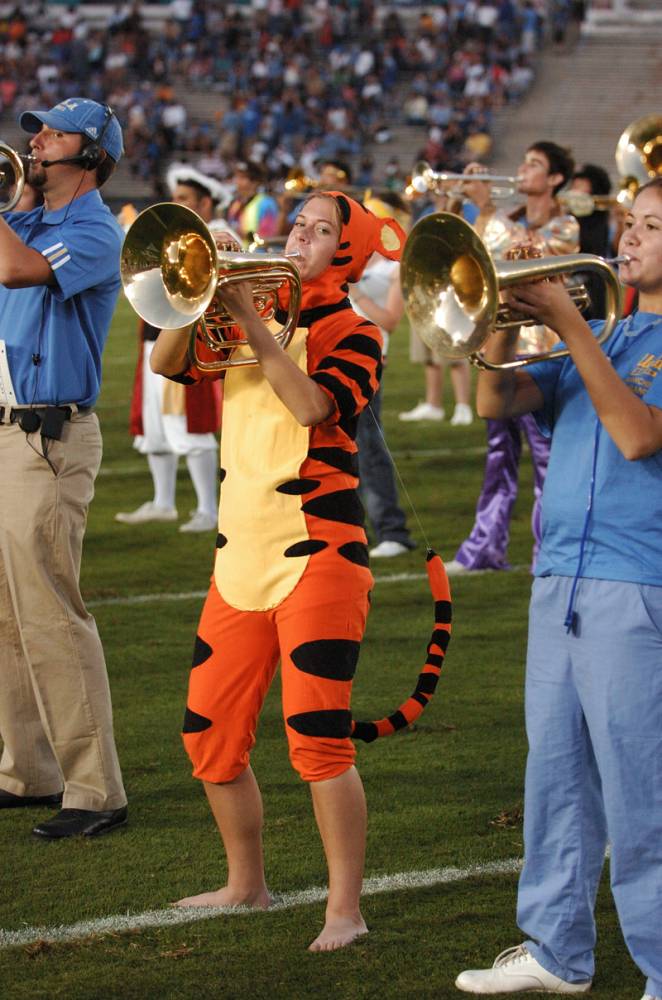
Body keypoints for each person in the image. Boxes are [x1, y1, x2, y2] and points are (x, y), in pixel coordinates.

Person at [149, 191, 406, 951]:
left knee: (317, 739)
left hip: (320, 555)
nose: (300, 233)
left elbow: (314, 408)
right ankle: (246, 884)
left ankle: (344, 909)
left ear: (350, 254)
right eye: (298, 223)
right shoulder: (250, 302)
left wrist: (250, 315)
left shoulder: (355, 330)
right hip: (239, 555)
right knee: (208, 734)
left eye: (322, 229)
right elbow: (168, 365)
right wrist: (202, 298)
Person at [455, 178, 662, 998]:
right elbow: (493, 399)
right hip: (562, 575)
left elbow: (638, 436)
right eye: (632, 221)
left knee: (640, 786)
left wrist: (569, 321)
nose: (631, 235)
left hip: (635, 581)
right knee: (557, 774)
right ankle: (557, 950)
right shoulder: (611, 327)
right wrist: (509, 315)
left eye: (651, 225)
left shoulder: (607, 332)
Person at [0, 98, 128, 838]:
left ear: (92, 153)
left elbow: (17, 275)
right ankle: (28, 769)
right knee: (8, 615)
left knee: (51, 612)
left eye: (53, 131)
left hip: (47, 439)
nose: (36, 139)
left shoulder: (90, 228)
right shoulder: (29, 218)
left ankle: (95, 789)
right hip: (6, 431)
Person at [446, 141, 578, 575]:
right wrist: (451, 207)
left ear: (555, 178)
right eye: (524, 159)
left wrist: (486, 212)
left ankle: (550, 557)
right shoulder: (510, 219)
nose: (522, 169)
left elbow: (534, 257)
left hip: (543, 359)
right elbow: (472, 261)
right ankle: (484, 549)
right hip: (501, 350)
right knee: (497, 459)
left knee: (547, 468)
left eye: (534, 164)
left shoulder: (567, 224)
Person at [115, 164, 235, 532]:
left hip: (187, 346)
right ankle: (162, 501)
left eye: (184, 199)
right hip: (155, 340)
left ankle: (207, 509)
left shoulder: (221, 237)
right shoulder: (173, 238)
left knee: (190, 429)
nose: (176, 204)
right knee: (154, 430)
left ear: (206, 204)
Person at [350, 193, 416, 558]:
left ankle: (393, 531)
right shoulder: (355, 254)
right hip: (339, 350)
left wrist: (355, 290)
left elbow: (391, 319)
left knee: (370, 446)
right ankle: (351, 528)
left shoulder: (396, 264)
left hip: (373, 353)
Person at [226, 160, 279, 246]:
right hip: (237, 255)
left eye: (242, 178)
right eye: (237, 177)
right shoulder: (236, 203)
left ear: (255, 182)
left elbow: (268, 237)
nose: (237, 182)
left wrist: (243, 235)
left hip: (255, 256)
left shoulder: (266, 203)